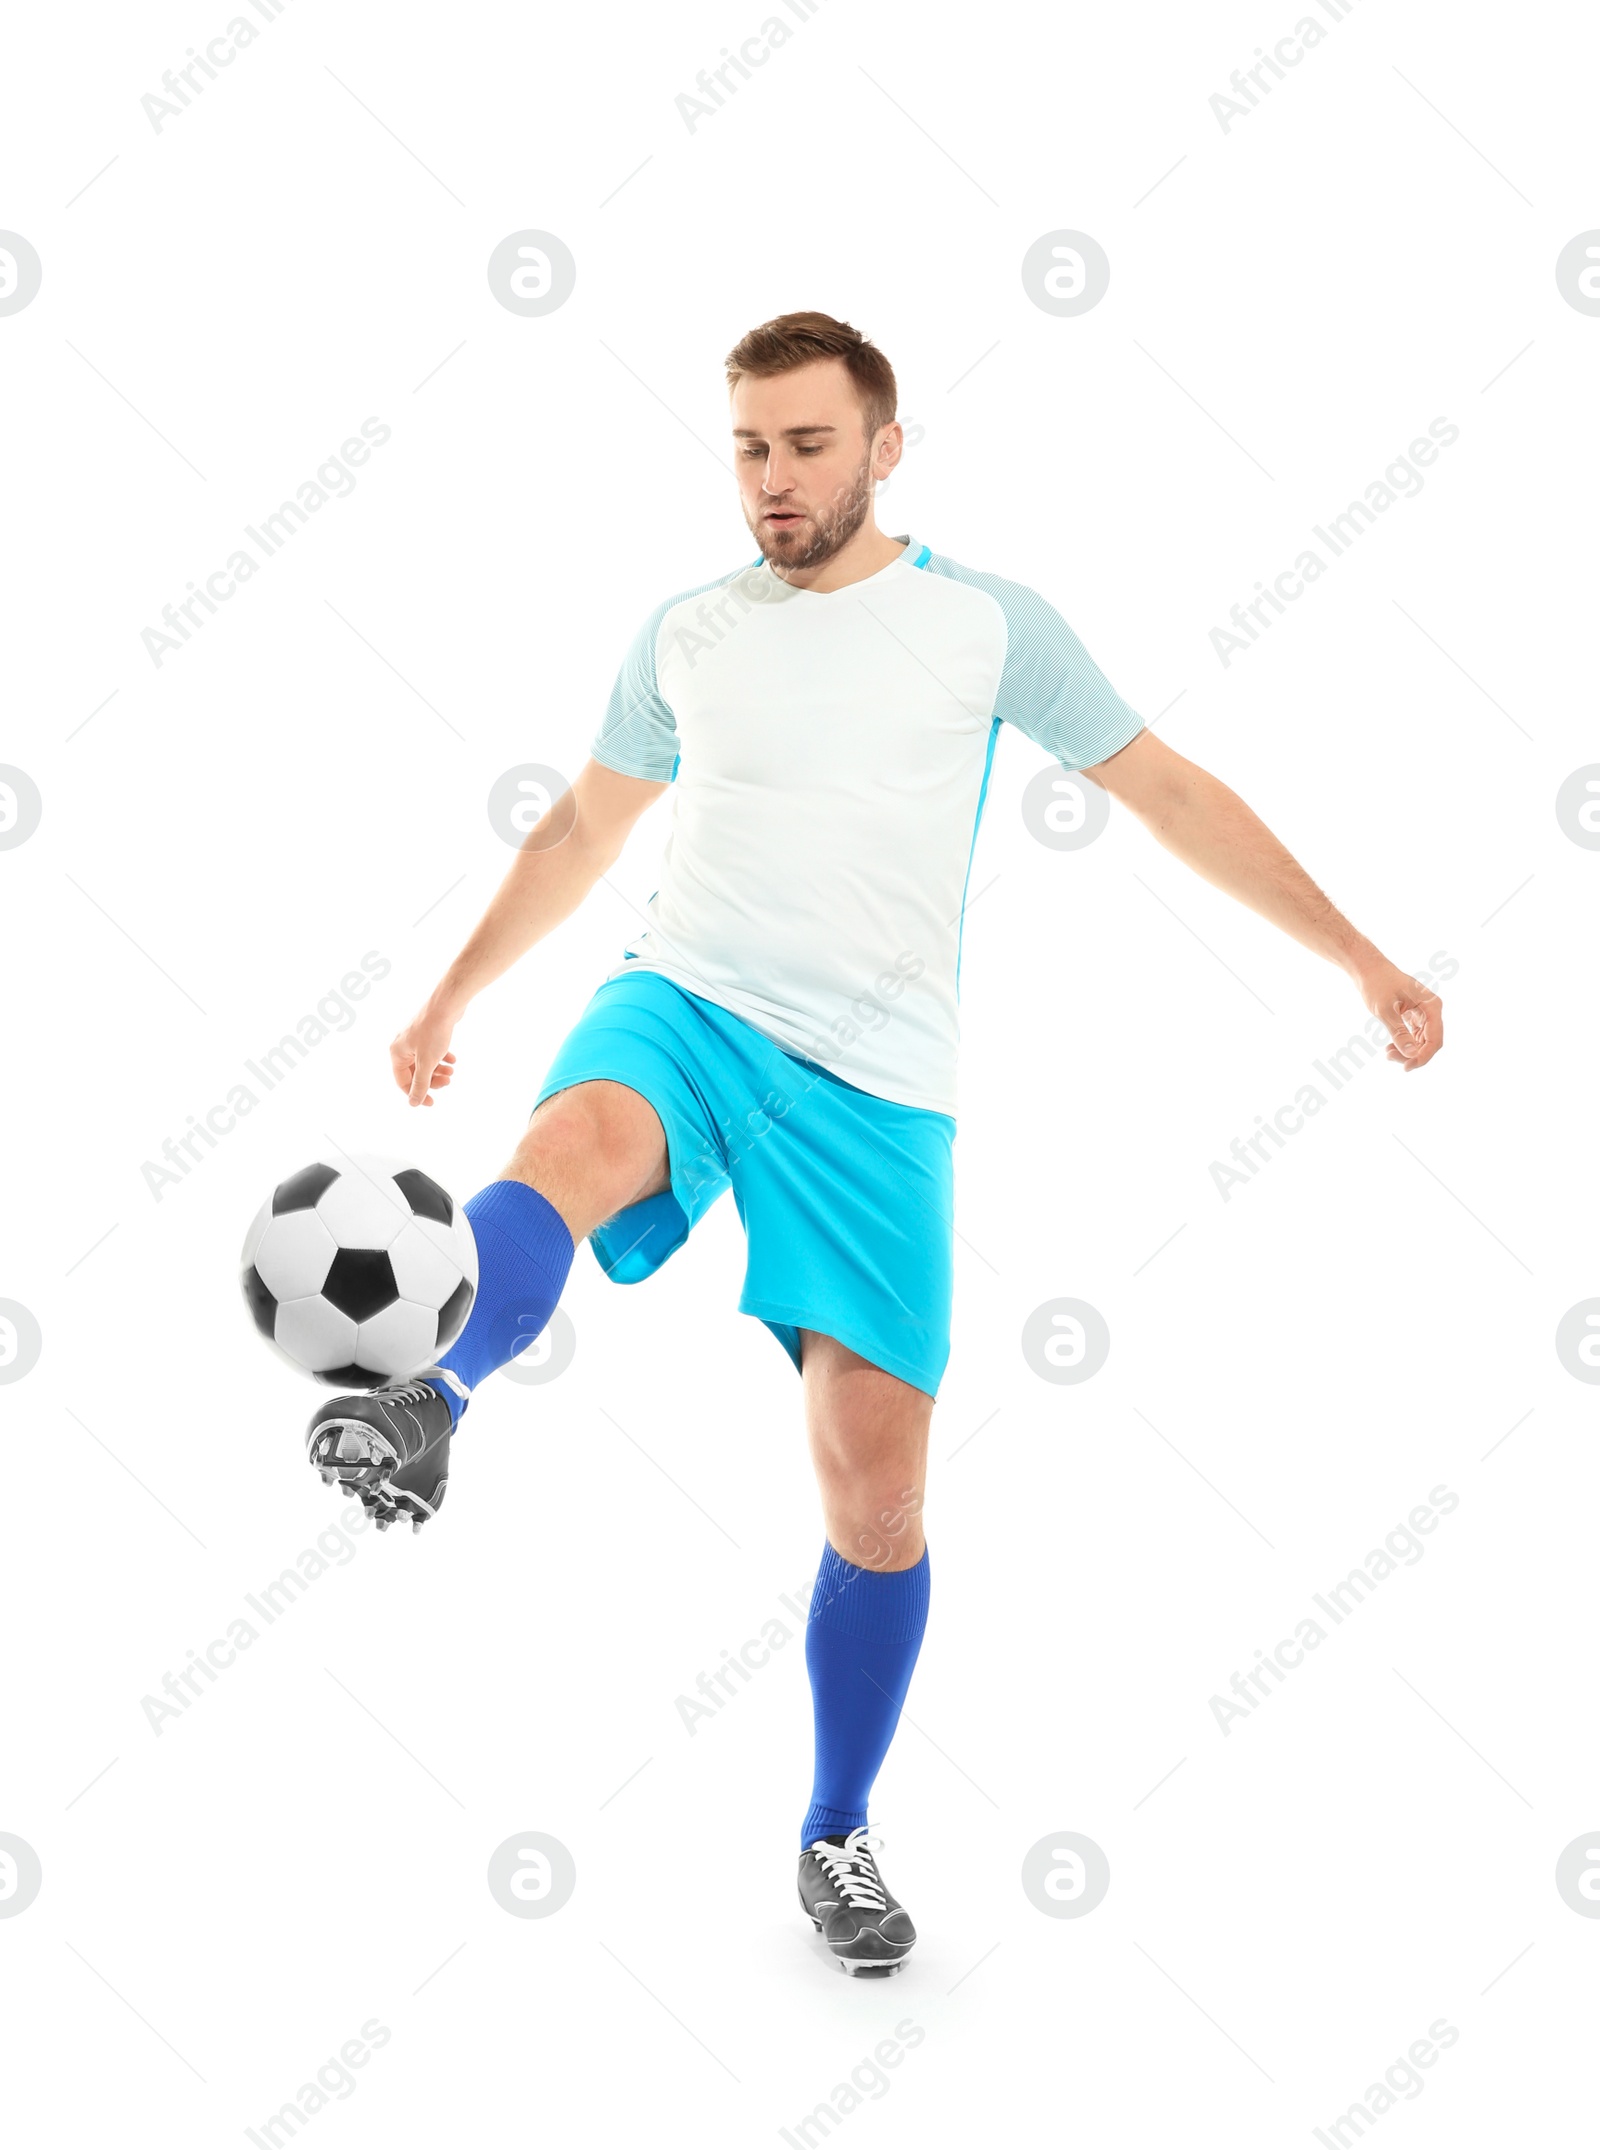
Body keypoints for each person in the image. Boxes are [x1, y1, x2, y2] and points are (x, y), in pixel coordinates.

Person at [303, 311, 1444, 1977]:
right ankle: (432, 1394)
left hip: (881, 1087)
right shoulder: (689, 632)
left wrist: (1360, 953)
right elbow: (582, 825)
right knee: (572, 1146)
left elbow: (1173, 790)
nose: (775, 478)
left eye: (809, 444)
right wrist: (453, 992)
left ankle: (834, 1825)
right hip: (685, 1003)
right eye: (752, 447)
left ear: (886, 446)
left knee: (879, 1489)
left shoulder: (986, 625)